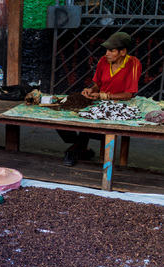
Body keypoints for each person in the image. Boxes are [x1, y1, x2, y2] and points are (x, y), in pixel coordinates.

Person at [61, 32, 142, 167]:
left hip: (120, 106)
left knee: (89, 123)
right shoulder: (103, 61)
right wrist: (92, 90)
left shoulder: (134, 64)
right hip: (100, 102)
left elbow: (128, 95)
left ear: (123, 52)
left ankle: (73, 150)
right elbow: (97, 85)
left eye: (112, 50)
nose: (107, 53)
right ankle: (80, 148)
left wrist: (103, 95)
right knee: (64, 115)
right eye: (106, 50)